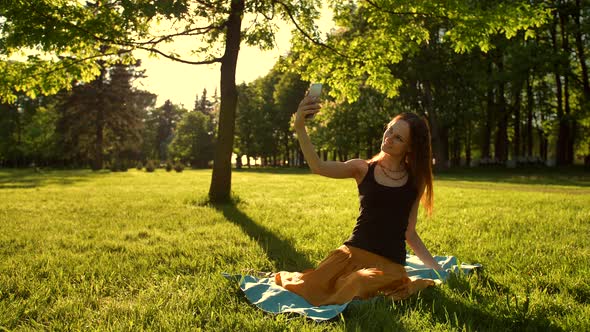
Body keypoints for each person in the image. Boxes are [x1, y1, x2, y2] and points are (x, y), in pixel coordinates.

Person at [274, 93, 442, 306]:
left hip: (388, 265)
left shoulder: (415, 182)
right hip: (350, 255)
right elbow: (318, 166)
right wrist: (300, 127)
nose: (388, 137)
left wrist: (437, 268)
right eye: (389, 129)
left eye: (398, 137)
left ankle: (355, 295)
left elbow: (409, 232)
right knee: (309, 285)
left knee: (358, 282)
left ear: (409, 147)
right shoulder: (362, 168)